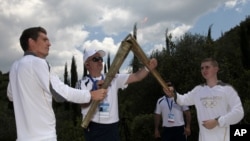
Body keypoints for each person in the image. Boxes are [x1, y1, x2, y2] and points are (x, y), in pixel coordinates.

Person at [7, 27, 107, 141]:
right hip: (43, 137)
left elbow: (11, 95)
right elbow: (60, 93)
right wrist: (90, 95)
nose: (49, 44)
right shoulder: (38, 62)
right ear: (31, 42)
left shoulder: (15, 66)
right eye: (44, 40)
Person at [75, 49, 158, 141]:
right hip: (94, 127)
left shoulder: (112, 77)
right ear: (87, 65)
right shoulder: (82, 83)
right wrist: (94, 91)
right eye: (95, 59)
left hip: (113, 127)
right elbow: (82, 104)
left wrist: (147, 68)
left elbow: (136, 77)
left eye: (100, 59)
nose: (99, 61)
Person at [163, 57, 244, 141]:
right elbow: (182, 100)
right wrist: (172, 94)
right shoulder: (198, 90)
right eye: (202, 68)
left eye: (207, 67)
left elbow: (239, 112)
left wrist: (217, 121)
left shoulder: (228, 89)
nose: (204, 70)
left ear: (216, 69)